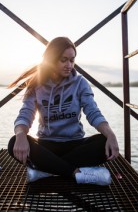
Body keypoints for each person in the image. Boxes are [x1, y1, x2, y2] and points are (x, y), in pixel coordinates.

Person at [8, 37, 119, 186]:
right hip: (47, 145)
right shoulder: (36, 85)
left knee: (104, 142)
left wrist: (110, 134)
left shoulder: (80, 83)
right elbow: (25, 114)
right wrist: (21, 134)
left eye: (72, 60)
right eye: (63, 60)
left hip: (74, 144)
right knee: (14, 142)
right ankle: (75, 173)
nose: (69, 65)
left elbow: (93, 112)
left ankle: (45, 170)